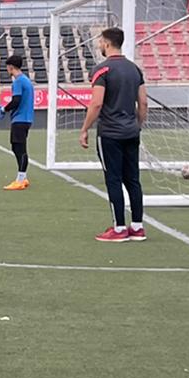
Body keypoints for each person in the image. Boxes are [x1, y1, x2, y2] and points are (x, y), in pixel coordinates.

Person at [79, 26, 148, 242]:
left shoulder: (102, 70)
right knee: (133, 179)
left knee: (113, 179)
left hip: (110, 133)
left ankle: (119, 229)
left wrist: (84, 129)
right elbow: (143, 102)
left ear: (107, 44)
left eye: (100, 41)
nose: (99, 45)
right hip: (131, 132)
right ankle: (137, 227)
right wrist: (137, 124)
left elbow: (97, 103)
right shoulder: (134, 69)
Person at [0, 56, 35, 190]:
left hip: (20, 119)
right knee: (16, 147)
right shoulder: (25, 80)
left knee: (20, 148)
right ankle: (23, 177)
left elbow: (16, 100)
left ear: (11, 67)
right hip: (25, 118)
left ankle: (20, 179)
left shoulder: (18, 82)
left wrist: (3, 110)